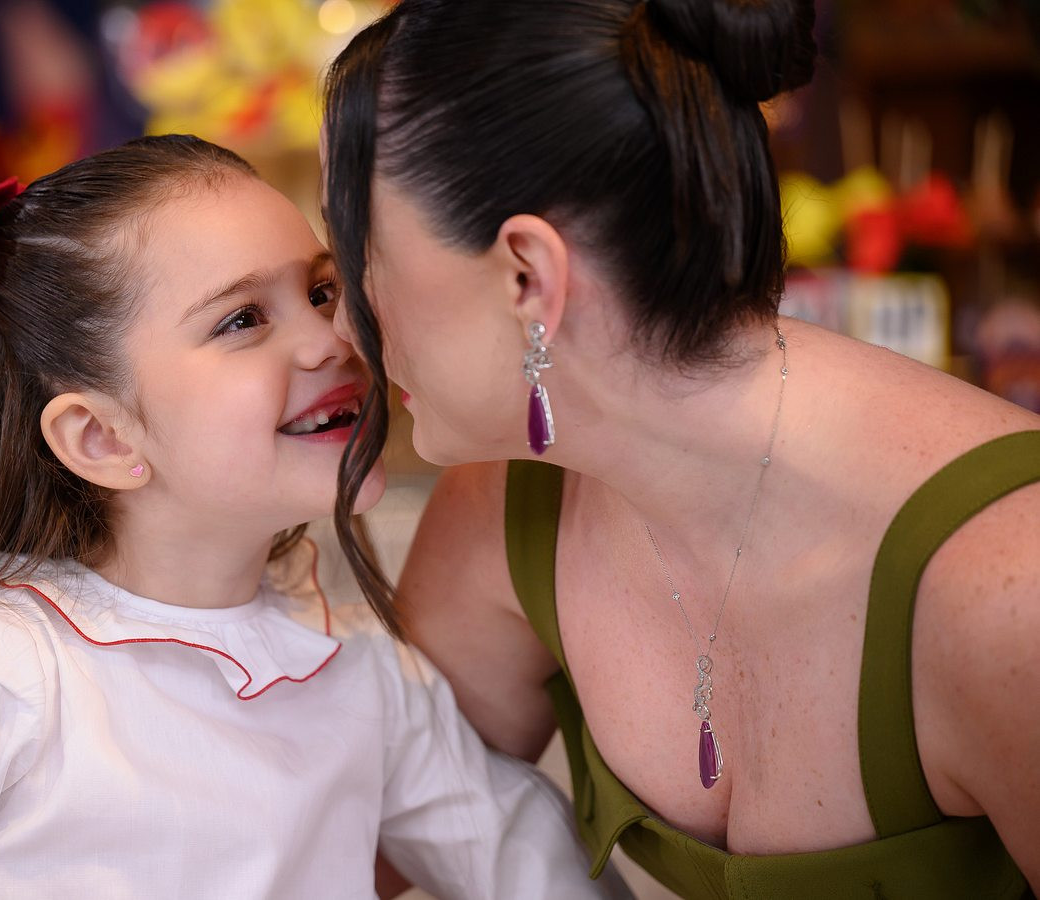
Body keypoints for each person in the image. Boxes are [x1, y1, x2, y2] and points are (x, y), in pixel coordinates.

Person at [320, 0, 1040, 896]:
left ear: (528, 276)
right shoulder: (508, 502)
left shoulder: (1008, 584)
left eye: (365, 258)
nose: (346, 326)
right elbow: (351, 851)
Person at [0, 135, 624, 899]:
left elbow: (530, 865)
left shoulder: (369, 677)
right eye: (242, 319)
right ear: (100, 437)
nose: (331, 339)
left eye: (321, 291)